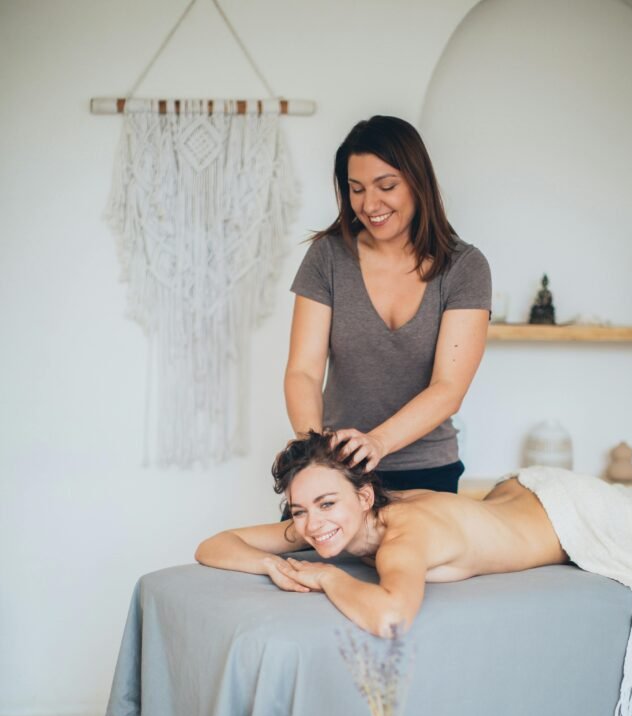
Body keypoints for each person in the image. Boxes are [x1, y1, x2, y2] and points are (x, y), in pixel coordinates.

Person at [284, 115, 491, 495]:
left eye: (386, 186)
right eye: (356, 188)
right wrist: (315, 455)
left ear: (417, 182)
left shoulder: (464, 267)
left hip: (428, 472)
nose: (370, 203)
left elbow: (448, 388)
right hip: (339, 471)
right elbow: (303, 372)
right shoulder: (327, 258)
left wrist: (376, 443)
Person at [195, 432, 567, 637]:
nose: (312, 525)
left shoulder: (402, 539)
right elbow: (213, 546)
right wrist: (270, 564)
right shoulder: (328, 521)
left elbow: (391, 619)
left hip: (566, 514)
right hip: (517, 491)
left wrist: (327, 575)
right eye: (299, 511)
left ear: (364, 497)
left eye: (326, 504)